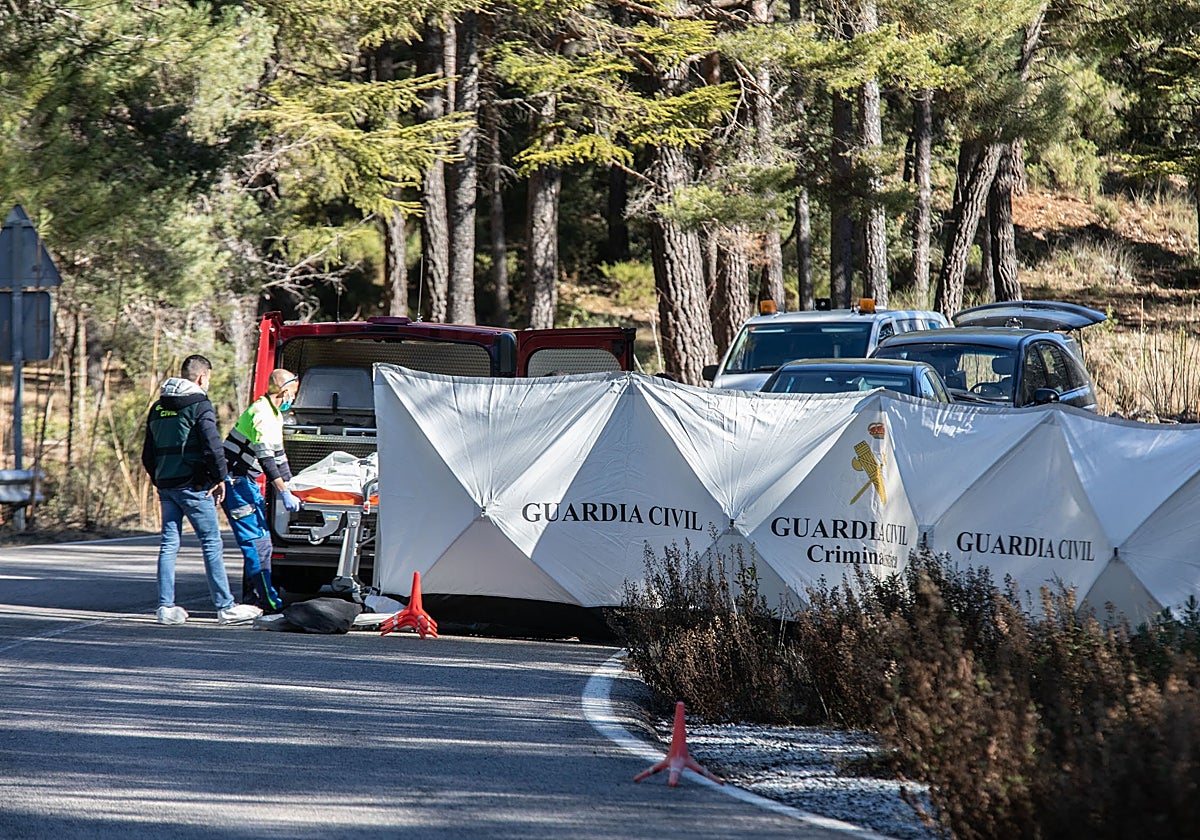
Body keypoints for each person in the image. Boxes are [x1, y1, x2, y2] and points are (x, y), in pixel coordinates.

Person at [140, 355, 263, 626]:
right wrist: (219, 478)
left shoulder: (158, 407)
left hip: (167, 484)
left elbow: (148, 453)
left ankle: (165, 607)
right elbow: (212, 445)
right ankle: (225, 606)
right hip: (194, 486)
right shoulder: (199, 405)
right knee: (211, 543)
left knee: (169, 544)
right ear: (201, 378)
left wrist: (159, 478)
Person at [221, 368, 302, 612]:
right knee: (257, 544)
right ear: (284, 390)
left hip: (246, 483)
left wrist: (292, 485)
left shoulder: (274, 413)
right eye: (294, 393)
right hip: (236, 482)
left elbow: (280, 457)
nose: (294, 399)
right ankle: (267, 600)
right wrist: (283, 491)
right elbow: (266, 459)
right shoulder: (262, 414)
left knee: (263, 544)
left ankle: (258, 598)